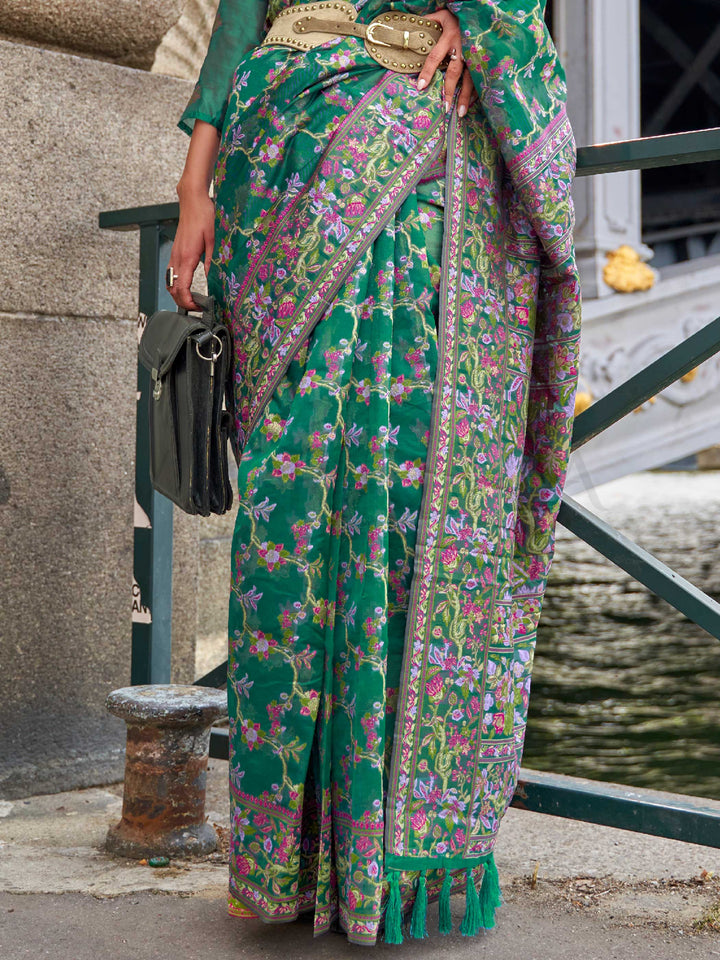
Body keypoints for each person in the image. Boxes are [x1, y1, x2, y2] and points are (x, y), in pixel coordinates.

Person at [167, 0, 581, 946]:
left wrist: (488, 21)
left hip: (413, 133)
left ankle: (388, 862)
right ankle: (289, 859)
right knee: (292, 509)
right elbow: (241, 14)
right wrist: (196, 186)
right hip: (283, 158)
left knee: (406, 491)